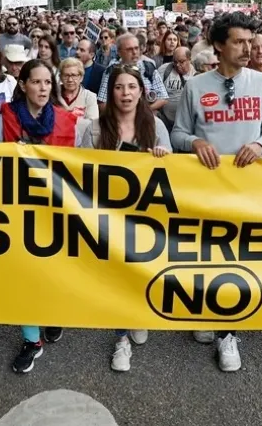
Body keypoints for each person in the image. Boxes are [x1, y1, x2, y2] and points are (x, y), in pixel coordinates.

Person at [170, 12, 262, 372]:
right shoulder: (196, 86)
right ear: (219, 45)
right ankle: (206, 312)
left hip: (248, 186)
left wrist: (261, 146)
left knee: (239, 257)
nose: (248, 48)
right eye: (238, 41)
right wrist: (195, 141)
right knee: (207, 254)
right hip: (207, 188)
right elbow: (177, 134)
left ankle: (228, 333)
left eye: (250, 41)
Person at [0, 59, 79, 372]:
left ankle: (53, 314)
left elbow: (82, 168)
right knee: (22, 276)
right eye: (36, 82)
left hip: (54, 210)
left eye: (47, 83)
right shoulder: (3, 119)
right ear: (22, 85)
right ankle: (31, 339)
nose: (42, 88)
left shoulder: (66, 121)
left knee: (52, 271)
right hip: (14, 210)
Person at [77, 65, 172, 371]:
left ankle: (139, 315)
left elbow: (173, 172)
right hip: (108, 217)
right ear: (111, 92)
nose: (126, 93)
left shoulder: (155, 126)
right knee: (117, 275)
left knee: (141, 270)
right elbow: (79, 170)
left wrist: (161, 155)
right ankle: (121, 338)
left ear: (142, 92)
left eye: (132, 87)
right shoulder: (94, 128)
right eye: (119, 87)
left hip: (146, 216)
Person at [97, 33, 168, 114]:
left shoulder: (149, 67)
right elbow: (102, 104)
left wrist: (142, 111)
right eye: (129, 49)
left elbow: (163, 98)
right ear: (119, 52)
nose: (134, 52)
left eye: (136, 48)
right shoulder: (111, 71)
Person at [156, 46, 196, 132]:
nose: (177, 65)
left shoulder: (196, 75)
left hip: (186, 124)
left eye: (181, 62)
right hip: (164, 120)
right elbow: (155, 92)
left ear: (189, 59)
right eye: (175, 61)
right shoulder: (164, 69)